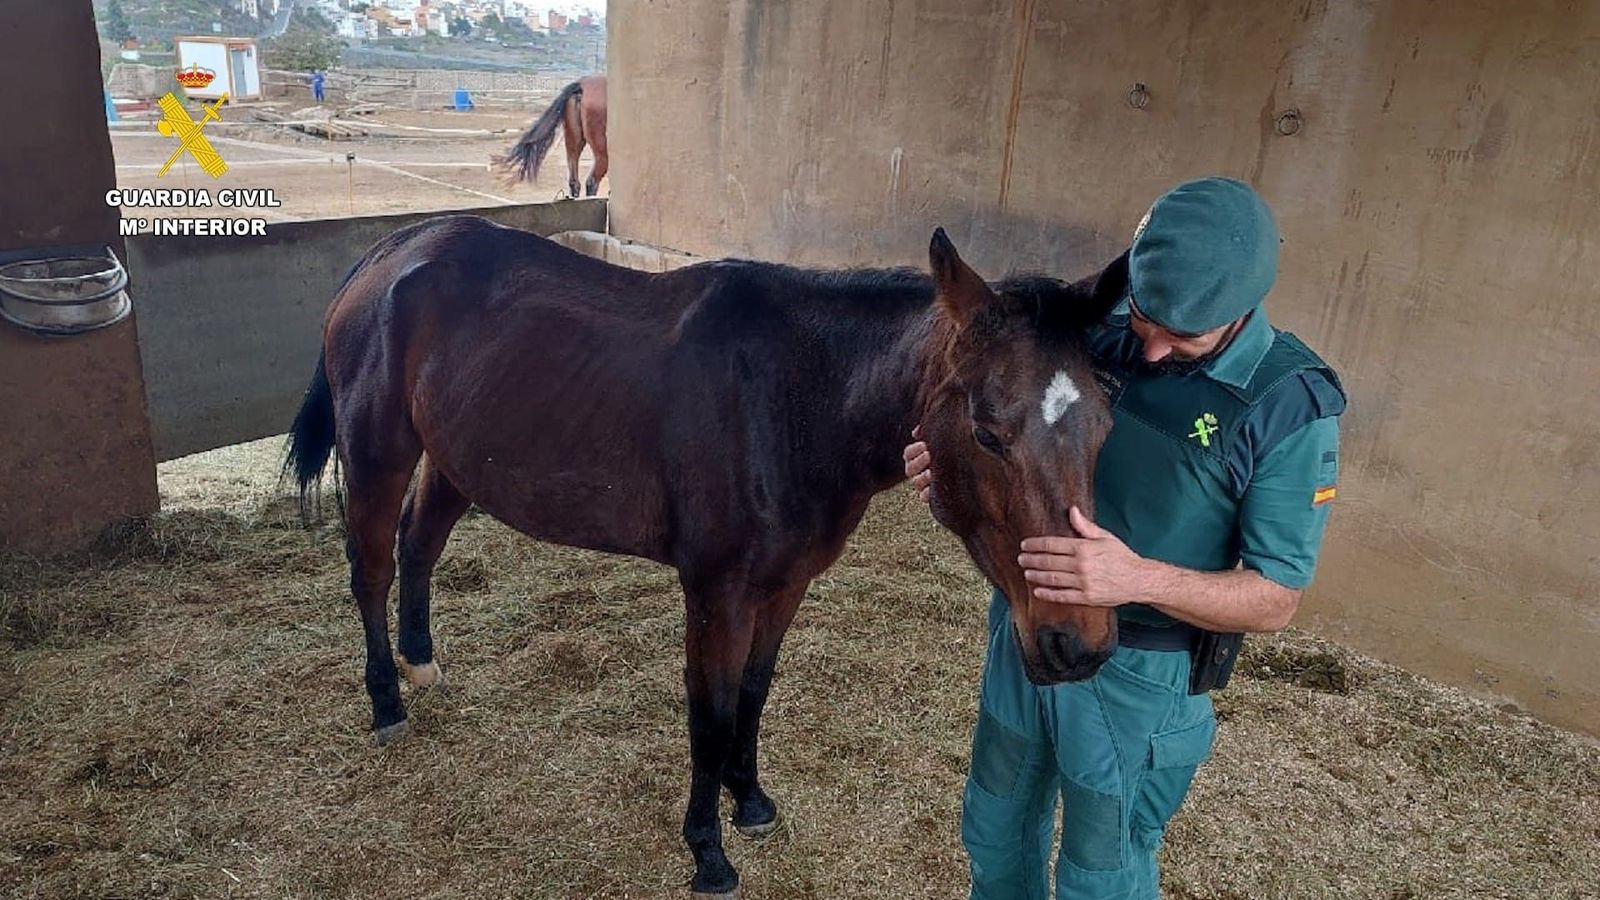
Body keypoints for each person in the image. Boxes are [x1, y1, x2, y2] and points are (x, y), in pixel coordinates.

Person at [903, 177, 1345, 899]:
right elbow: (1007, 420)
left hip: (1142, 671)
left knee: (1100, 875)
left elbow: (1276, 599)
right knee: (993, 828)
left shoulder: (1285, 408)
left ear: (1242, 311)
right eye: (1146, 318)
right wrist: (946, 470)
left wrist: (1135, 579)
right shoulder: (1097, 325)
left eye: (1185, 337)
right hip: (1027, 626)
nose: (1154, 349)